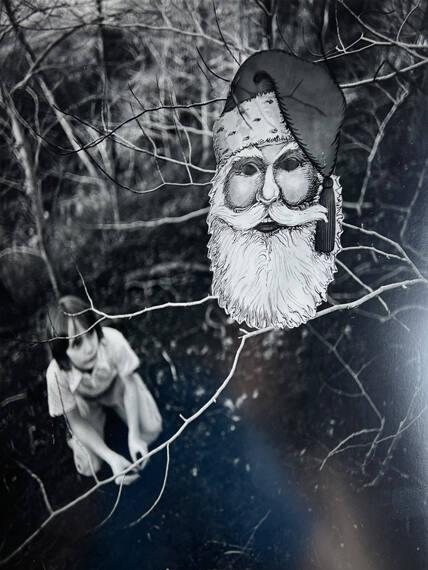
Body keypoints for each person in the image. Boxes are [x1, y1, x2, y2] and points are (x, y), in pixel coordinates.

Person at [46, 295, 162, 485]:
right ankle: (89, 438)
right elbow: (75, 421)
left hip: (117, 386)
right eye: (77, 343)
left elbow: (130, 385)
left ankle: (120, 419)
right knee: (89, 466)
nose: (89, 348)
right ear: (61, 352)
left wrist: (134, 435)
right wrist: (111, 457)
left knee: (152, 430)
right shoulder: (55, 374)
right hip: (83, 400)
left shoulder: (112, 341)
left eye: (90, 333)